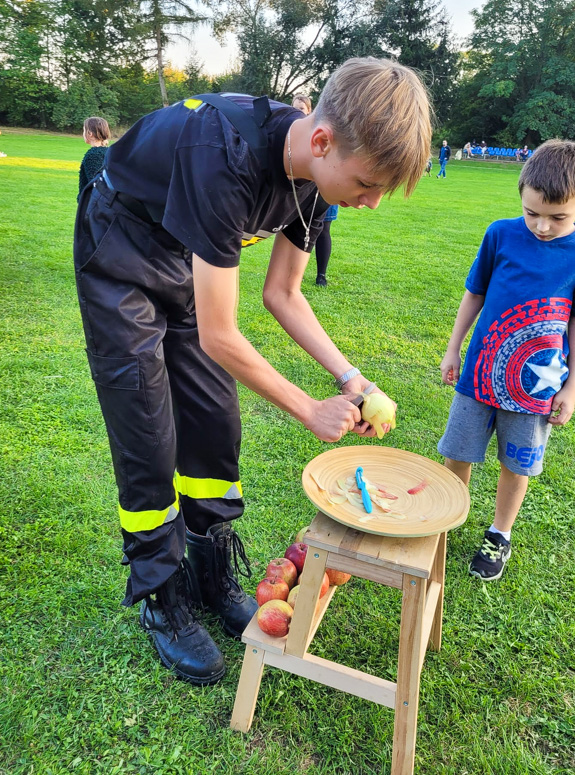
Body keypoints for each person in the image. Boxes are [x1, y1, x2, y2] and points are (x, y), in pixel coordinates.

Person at [73, 57, 432, 685]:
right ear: (321, 141)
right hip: (121, 250)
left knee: (215, 418)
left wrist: (352, 379)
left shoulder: (317, 181)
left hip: (185, 258)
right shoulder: (225, 154)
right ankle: (161, 592)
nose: (372, 203)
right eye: (369, 183)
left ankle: (210, 572)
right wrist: (307, 407)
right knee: (147, 429)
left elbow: (285, 294)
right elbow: (219, 335)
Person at [439, 139, 575, 582]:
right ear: (521, 194)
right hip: (480, 372)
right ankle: (444, 519)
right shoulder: (500, 233)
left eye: (558, 217)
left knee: (516, 463)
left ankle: (499, 533)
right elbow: (474, 292)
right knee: (458, 452)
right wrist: (453, 347)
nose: (542, 226)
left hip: (537, 385)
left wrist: (571, 390)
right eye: (532, 212)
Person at [291, 95, 340, 288]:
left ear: (309, 111)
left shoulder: (321, 134)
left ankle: (321, 275)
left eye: (301, 108)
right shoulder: (292, 135)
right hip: (300, 193)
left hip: (324, 189)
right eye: (294, 107)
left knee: (323, 230)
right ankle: (293, 275)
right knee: (295, 229)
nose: (298, 111)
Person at [79, 117, 110, 194]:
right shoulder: (108, 151)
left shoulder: (93, 155)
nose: (83, 133)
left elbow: (96, 186)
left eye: (84, 130)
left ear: (90, 133)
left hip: (94, 203)